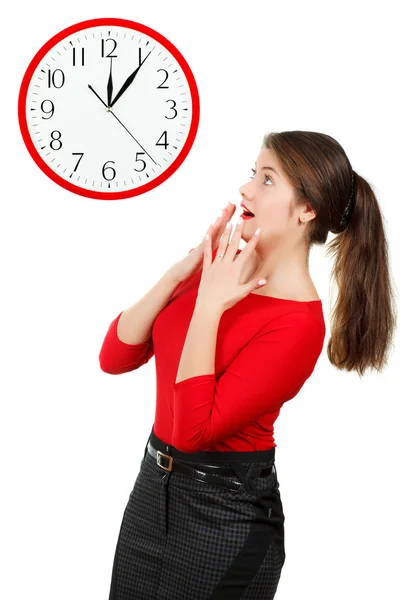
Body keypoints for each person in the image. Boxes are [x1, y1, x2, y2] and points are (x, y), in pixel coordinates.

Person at [99, 130, 397, 599]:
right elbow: (114, 358)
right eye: (251, 174)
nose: (246, 190)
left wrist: (209, 306)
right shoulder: (222, 267)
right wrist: (183, 271)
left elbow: (192, 432)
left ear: (307, 210)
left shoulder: (297, 324)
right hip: (151, 493)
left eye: (267, 180)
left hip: (224, 516)